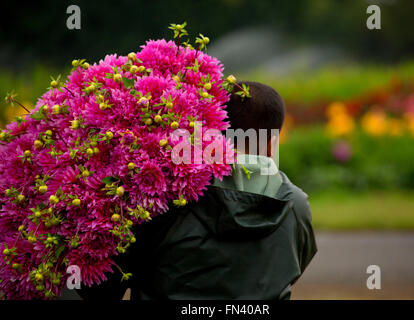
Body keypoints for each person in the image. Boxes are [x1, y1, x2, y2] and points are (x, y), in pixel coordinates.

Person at [76, 81, 317, 300]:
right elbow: (289, 269)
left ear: (213, 129)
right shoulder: (295, 205)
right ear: (271, 143)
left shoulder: (161, 200)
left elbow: (102, 288)